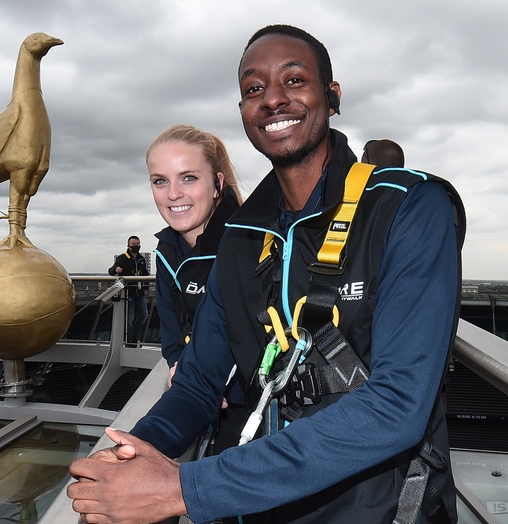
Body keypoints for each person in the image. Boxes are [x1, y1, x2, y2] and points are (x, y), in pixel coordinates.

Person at [70, 24, 466, 524]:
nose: (273, 99)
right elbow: (198, 384)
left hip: (382, 509)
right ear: (243, 113)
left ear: (333, 96)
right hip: (259, 505)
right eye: (254, 89)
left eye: (294, 80)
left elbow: (397, 406)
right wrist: (126, 460)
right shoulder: (241, 237)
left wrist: (184, 490)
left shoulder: (408, 208)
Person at [146, 124, 242, 374]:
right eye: (160, 181)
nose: (173, 194)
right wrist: (178, 367)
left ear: (217, 184)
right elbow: (173, 338)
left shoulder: (249, 244)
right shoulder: (167, 251)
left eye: (189, 178)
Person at [107, 236, 150, 343]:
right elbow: (111, 271)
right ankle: (129, 340)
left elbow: (145, 275)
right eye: (133, 244)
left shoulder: (141, 259)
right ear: (128, 246)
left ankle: (134, 337)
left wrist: (145, 287)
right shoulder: (123, 258)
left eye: (137, 244)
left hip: (139, 292)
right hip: (127, 292)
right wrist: (116, 270)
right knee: (129, 318)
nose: (136, 246)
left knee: (144, 315)